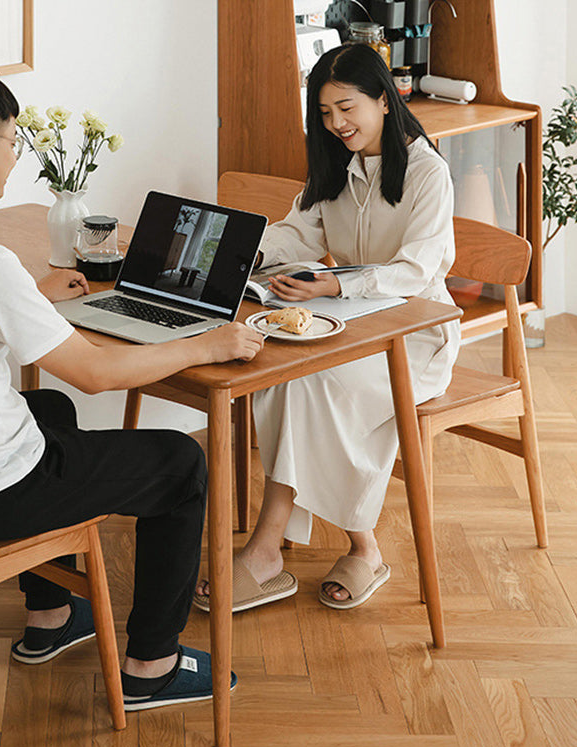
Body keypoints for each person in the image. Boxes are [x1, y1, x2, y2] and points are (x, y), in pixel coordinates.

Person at [0, 64, 264, 711]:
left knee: (50, 406)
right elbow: (97, 371)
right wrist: (208, 342)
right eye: (12, 142)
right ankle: (153, 663)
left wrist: (27, 303)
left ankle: (51, 618)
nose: (16, 157)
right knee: (182, 464)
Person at [195, 43, 460, 613]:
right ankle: (361, 547)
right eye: (324, 113)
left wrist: (334, 286)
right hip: (348, 326)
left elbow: (415, 273)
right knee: (281, 375)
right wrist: (234, 251)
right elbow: (297, 235)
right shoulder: (337, 165)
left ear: (384, 100)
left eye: (347, 108)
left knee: (317, 386)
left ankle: (269, 550)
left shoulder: (427, 173)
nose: (336, 124)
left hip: (416, 335)